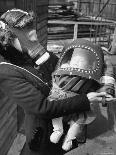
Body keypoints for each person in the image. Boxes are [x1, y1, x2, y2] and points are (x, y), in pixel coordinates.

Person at [0, 8, 115, 154]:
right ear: (7, 39)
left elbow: (68, 73)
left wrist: (100, 82)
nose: (34, 37)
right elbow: (42, 108)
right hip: (42, 137)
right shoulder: (6, 71)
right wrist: (86, 99)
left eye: (31, 27)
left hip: (67, 126)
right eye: (24, 32)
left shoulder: (37, 54)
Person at [48, 39, 116, 151]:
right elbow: (56, 76)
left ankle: (69, 138)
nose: (77, 63)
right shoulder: (65, 67)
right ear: (70, 60)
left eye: (81, 61)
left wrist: (106, 92)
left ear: (88, 64)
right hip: (61, 97)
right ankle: (58, 130)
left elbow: (103, 82)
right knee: (55, 110)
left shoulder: (89, 75)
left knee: (79, 120)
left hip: (80, 100)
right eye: (75, 60)